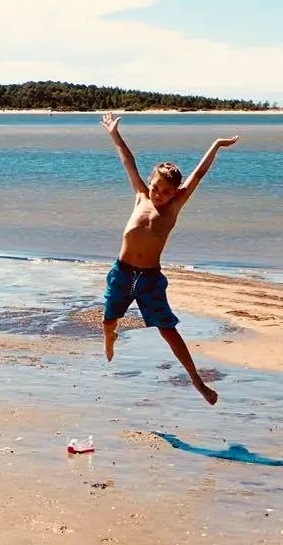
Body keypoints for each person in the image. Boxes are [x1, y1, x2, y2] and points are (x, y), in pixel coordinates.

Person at [100, 111, 239, 405]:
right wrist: (114, 134)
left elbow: (198, 175)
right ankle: (110, 338)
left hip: (150, 279)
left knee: (168, 331)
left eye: (165, 191)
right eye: (155, 187)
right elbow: (127, 159)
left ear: (175, 192)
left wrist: (215, 144)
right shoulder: (141, 195)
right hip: (123, 272)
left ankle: (197, 381)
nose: (158, 194)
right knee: (108, 320)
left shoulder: (174, 207)